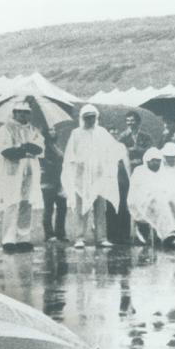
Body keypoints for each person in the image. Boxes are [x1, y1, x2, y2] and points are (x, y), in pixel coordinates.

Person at [63, 104, 125, 249]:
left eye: (92, 117)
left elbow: (113, 150)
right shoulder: (76, 133)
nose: (90, 120)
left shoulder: (102, 133)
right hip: (82, 177)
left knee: (100, 208)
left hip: (98, 176)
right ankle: (80, 237)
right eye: (87, 118)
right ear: (82, 118)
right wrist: (79, 164)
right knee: (81, 208)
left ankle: (101, 237)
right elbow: (70, 155)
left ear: (96, 118)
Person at [0, 103, 45, 253]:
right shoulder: (6, 129)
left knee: (26, 203)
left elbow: (40, 147)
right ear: (14, 113)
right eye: (19, 112)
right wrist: (22, 149)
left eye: (26, 112)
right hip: (13, 171)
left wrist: (29, 147)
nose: (23, 115)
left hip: (29, 170)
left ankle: (23, 237)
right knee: (12, 203)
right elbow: (3, 150)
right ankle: (8, 239)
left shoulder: (33, 130)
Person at [39, 122, 66, 242]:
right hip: (49, 181)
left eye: (54, 129)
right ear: (45, 132)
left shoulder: (55, 145)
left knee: (62, 207)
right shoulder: (43, 146)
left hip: (59, 181)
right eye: (50, 129)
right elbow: (45, 163)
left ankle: (60, 232)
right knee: (48, 208)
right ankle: (49, 234)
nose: (53, 132)